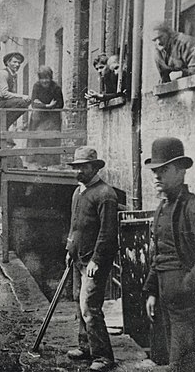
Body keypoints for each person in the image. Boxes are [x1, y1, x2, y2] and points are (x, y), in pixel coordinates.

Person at [143, 137, 195, 372]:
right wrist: (151, 291)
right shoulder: (163, 208)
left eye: (164, 170)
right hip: (165, 298)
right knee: (174, 361)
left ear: (181, 172)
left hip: (188, 303)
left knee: (184, 364)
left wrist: (186, 286)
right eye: (155, 171)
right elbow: (157, 254)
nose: (157, 176)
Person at [65, 146, 118, 372]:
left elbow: (107, 233)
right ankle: (85, 347)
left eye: (83, 167)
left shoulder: (106, 194)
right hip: (78, 257)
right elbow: (75, 225)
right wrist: (70, 249)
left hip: (94, 261)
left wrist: (97, 260)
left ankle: (104, 357)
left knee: (90, 307)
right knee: (79, 301)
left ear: (94, 167)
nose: (78, 172)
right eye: (76, 167)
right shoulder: (79, 192)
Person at [0, 52, 31, 130]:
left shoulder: (11, 75)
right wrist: (23, 96)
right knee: (23, 102)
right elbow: (4, 94)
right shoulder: (3, 73)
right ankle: (2, 125)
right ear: (8, 62)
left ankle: (1, 125)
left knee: (24, 103)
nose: (17, 65)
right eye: (14, 62)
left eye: (19, 63)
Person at [29, 65, 64, 167]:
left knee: (50, 140)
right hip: (39, 118)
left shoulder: (56, 87)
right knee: (38, 138)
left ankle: (51, 165)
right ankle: (38, 164)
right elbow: (33, 103)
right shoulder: (36, 86)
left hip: (52, 118)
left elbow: (60, 104)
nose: (45, 81)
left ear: (50, 78)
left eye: (47, 78)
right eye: (42, 78)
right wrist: (47, 106)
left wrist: (44, 106)